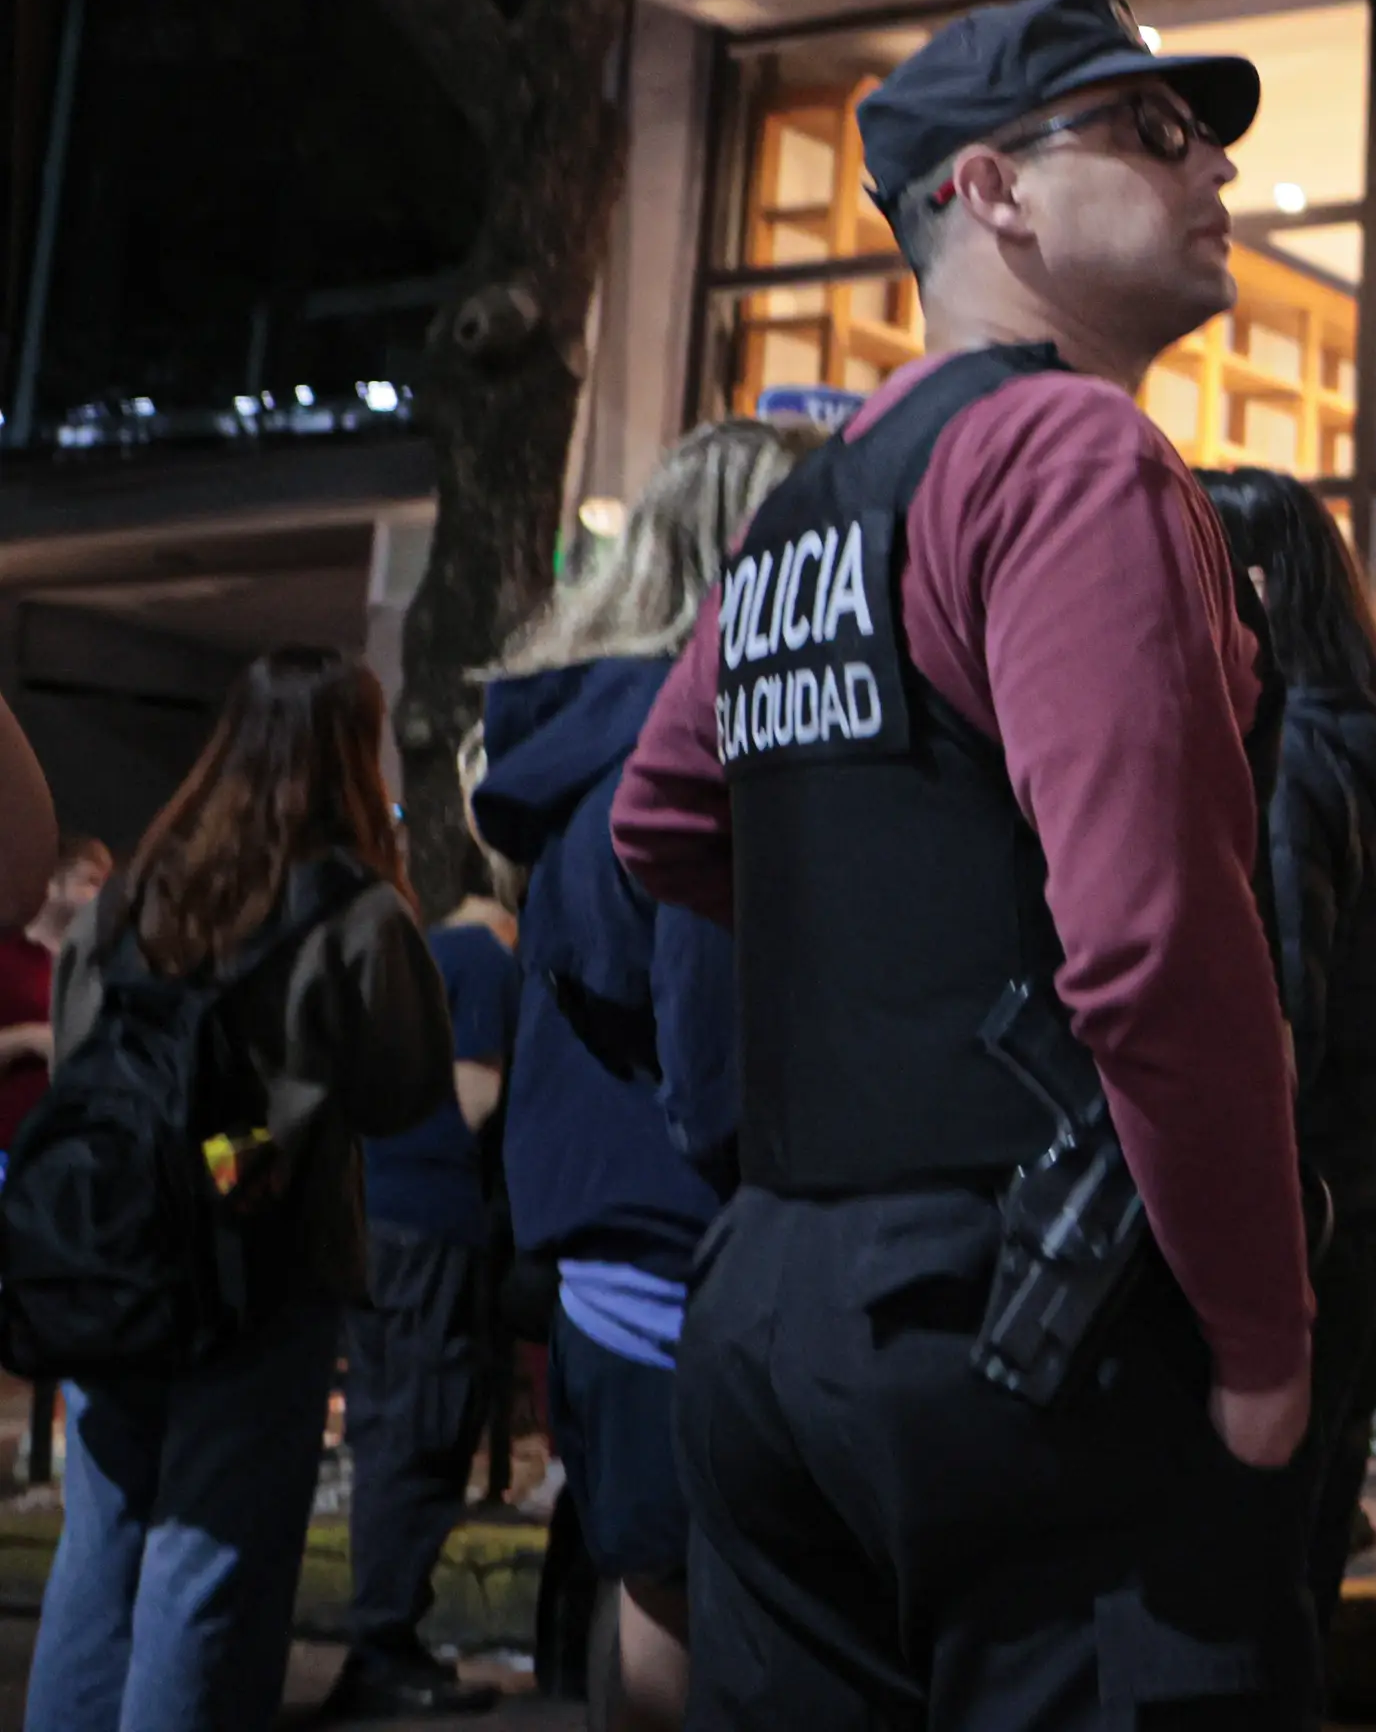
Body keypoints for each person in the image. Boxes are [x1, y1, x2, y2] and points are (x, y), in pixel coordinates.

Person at [613, 0, 1321, 1728]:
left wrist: (891, 960)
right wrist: (1261, 1334)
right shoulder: (1071, 455)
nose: (1207, 165)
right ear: (992, 191)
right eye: (1149, 132)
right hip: (1026, 1327)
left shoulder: (816, 499)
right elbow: (1152, 945)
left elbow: (663, 817)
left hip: (778, 1302)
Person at [27, 649, 453, 1732]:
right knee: (208, 1560)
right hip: (258, 1266)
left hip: (108, 1258)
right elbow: (406, 1090)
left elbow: (80, 1057)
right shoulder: (355, 912)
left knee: (102, 1539)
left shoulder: (131, 893)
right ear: (352, 752)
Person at [476, 418, 812, 1732]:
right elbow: (702, 1028)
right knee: (699, 1622)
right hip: (690, 1250)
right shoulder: (682, 745)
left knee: (654, 1605)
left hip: (612, 1248)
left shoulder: (576, 736)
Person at [1200, 462, 1376, 1706]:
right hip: (1354, 1224)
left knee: (1238, 1598)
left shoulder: (1293, 755)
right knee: (1290, 1588)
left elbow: (1281, 1026)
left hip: (1290, 1230)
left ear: (1258, 586)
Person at [327, 882, 522, 1718]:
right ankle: (383, 1642)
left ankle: (380, 1633)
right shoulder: (485, 961)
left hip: (373, 1220)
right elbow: (476, 1102)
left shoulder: (414, 954)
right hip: (436, 1230)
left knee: (382, 1426)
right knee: (428, 1426)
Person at [0, 833, 112, 1148]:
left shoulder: (94, 977)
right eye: (91, 881)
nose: (102, 897)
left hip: (51, 1157)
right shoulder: (7, 954)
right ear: (52, 883)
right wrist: (31, 1039)